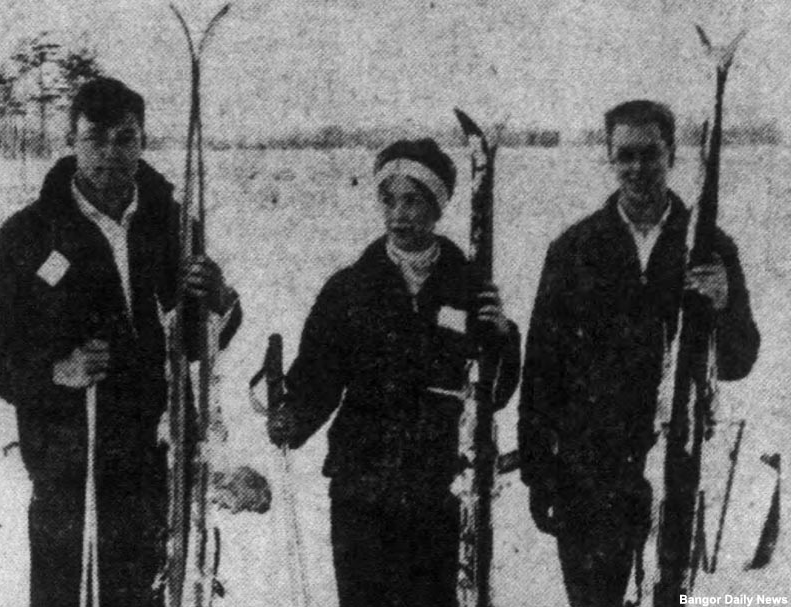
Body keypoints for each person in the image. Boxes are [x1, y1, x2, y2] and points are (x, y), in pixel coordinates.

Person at [0, 77, 243, 607]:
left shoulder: (171, 223)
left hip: (152, 459)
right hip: (68, 463)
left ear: (143, 141)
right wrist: (54, 371)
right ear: (71, 139)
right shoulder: (29, 235)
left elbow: (196, 343)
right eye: (95, 139)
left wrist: (219, 302)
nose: (110, 154)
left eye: (125, 139)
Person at [517, 100, 760, 607]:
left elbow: (737, 361)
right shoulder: (575, 248)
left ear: (671, 154)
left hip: (677, 470)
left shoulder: (710, 245)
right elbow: (542, 368)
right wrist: (540, 473)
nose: (637, 168)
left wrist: (723, 303)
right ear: (609, 157)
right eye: (624, 155)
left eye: (650, 154)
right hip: (589, 474)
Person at [267, 138, 521, 607]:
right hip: (363, 488)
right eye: (389, 199)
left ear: (439, 206)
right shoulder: (349, 288)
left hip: (442, 487)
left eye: (413, 199)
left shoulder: (469, 287)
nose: (398, 213)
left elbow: (496, 391)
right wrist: (293, 417)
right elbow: (318, 376)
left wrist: (502, 337)